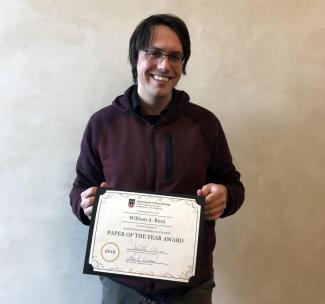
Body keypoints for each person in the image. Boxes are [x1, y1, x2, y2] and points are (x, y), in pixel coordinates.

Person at [69, 14, 245, 304]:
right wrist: (84, 204)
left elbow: (233, 185)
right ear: (135, 58)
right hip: (122, 284)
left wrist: (225, 195)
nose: (165, 65)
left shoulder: (205, 124)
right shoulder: (103, 124)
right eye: (154, 53)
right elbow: (81, 187)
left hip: (189, 287)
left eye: (176, 57)